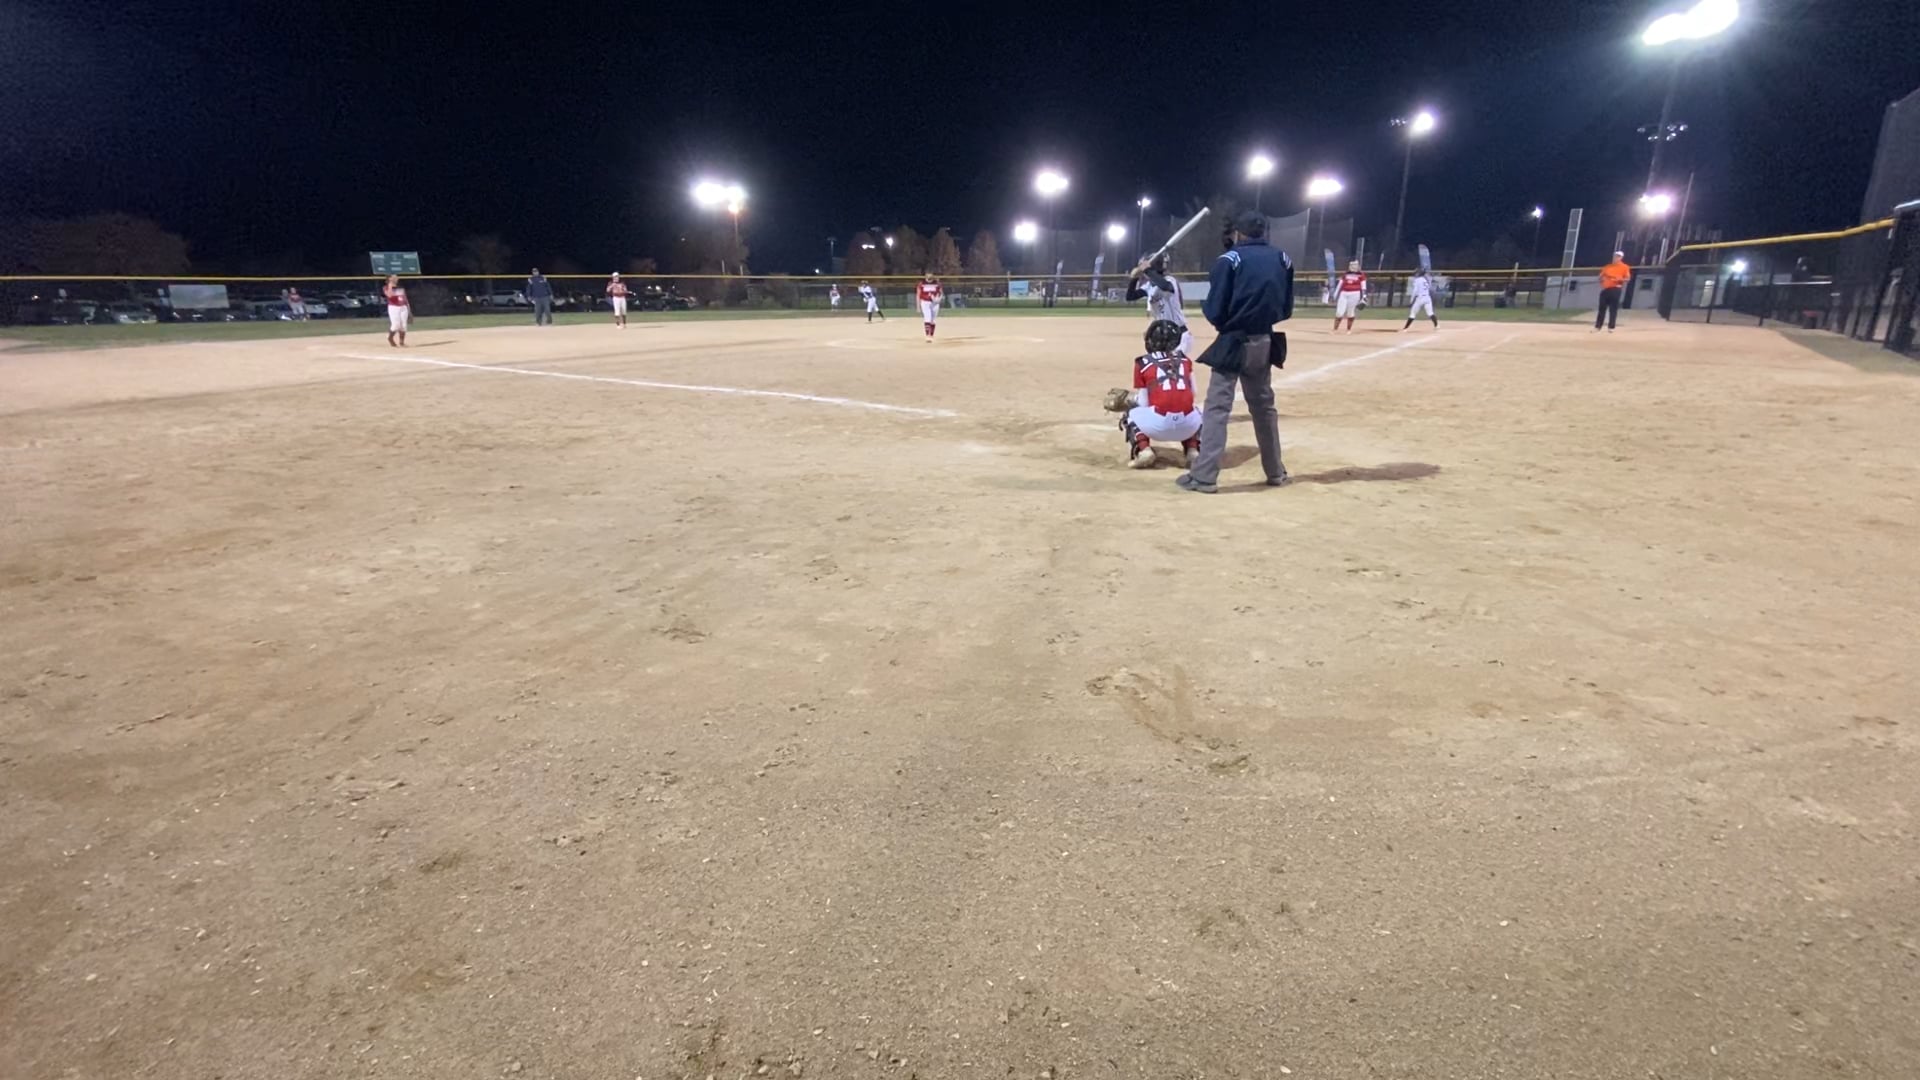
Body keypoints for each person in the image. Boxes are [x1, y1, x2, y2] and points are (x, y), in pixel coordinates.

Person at [1177, 211, 1292, 495]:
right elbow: (1286, 307)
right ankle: (1276, 472)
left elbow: (1216, 309)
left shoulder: (1230, 259)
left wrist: (1217, 317)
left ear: (1238, 233)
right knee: (1264, 409)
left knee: (1217, 409)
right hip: (1265, 340)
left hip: (1233, 342)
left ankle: (1204, 476)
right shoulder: (1282, 258)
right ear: (1263, 231)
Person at [1105, 318, 1203, 470]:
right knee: (1197, 411)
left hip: (1158, 426)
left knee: (1130, 412)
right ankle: (1193, 450)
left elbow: (1144, 402)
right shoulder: (1185, 360)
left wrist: (1131, 399)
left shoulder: (1142, 362)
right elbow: (1194, 392)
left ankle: (1144, 450)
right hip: (1188, 427)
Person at [1126, 253, 1194, 355]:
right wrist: (1134, 279)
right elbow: (1130, 296)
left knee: (1172, 364)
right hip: (1164, 337)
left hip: (1179, 335)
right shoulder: (1149, 286)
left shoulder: (1170, 280)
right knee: (1162, 364)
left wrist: (1147, 270)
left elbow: (1166, 286)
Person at [1596, 251, 1631, 332]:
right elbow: (1600, 277)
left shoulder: (1624, 267)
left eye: (1618, 256)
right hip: (1606, 289)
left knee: (1613, 309)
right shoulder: (1607, 267)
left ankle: (1611, 327)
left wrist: (1620, 279)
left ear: (1621, 258)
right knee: (1602, 308)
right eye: (1615, 256)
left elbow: (1627, 279)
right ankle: (1598, 326)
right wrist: (1601, 279)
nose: (1616, 257)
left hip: (1616, 288)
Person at [1333, 260, 1366, 334]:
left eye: (1355, 265)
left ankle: (1348, 330)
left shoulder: (1361, 275)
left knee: (1350, 312)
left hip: (1355, 294)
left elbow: (1363, 286)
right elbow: (1339, 285)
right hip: (1344, 293)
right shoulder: (1346, 274)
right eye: (1352, 265)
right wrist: (1335, 294)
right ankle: (1335, 329)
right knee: (1339, 312)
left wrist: (1364, 296)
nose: (1353, 267)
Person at [382, 274, 409, 348]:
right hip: (394, 307)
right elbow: (389, 295)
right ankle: (390, 338)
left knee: (403, 325)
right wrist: (390, 285)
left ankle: (401, 342)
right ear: (390, 279)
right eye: (394, 277)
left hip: (403, 307)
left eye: (396, 277)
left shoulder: (400, 287)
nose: (397, 278)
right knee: (396, 325)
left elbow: (405, 298)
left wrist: (409, 309)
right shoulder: (386, 287)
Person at [916, 273, 943, 341]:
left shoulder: (937, 283)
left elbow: (941, 293)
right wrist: (918, 306)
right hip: (925, 302)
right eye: (928, 277)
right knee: (927, 317)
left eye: (931, 277)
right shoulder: (921, 283)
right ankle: (927, 335)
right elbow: (918, 295)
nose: (929, 279)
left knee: (933, 320)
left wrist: (939, 299)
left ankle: (931, 335)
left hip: (934, 303)